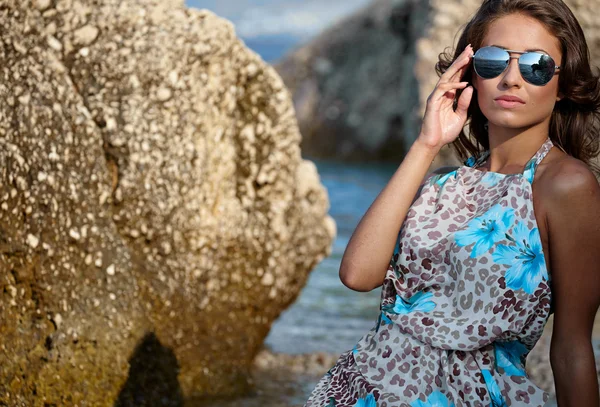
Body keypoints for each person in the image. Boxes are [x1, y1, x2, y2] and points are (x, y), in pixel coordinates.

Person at [303, 0, 600, 406]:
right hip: (362, 389)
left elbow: (571, 348)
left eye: (536, 65)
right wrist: (427, 144)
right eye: (493, 61)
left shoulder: (565, 185)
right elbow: (358, 274)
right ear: (469, 74)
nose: (511, 78)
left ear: (563, 84)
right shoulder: (442, 183)